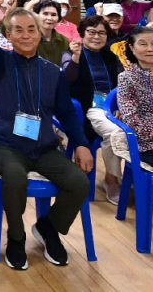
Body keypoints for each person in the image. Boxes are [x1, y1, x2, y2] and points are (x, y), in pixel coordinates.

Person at [0, 0, 93, 270]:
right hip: (7, 145)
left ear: (40, 33)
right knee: (15, 178)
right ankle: (16, 237)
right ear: (9, 35)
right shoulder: (0, 62)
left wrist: (83, 143)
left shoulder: (53, 72)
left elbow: (66, 112)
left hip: (44, 146)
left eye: (31, 29)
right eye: (18, 30)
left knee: (79, 182)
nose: (26, 35)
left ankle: (49, 227)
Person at [62, 15, 123, 204]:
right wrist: (76, 57)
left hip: (112, 108)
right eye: (92, 32)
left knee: (141, 129)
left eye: (102, 33)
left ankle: (135, 177)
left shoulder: (110, 56)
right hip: (88, 109)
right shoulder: (72, 53)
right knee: (115, 133)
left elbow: (122, 84)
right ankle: (112, 179)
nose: (97, 37)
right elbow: (67, 79)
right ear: (82, 34)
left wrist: (120, 106)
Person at [118, 27, 153, 200]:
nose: (150, 48)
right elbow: (131, 119)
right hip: (148, 143)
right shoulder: (127, 78)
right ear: (132, 49)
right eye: (143, 44)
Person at [29, 0, 70, 67]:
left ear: (58, 18)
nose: (49, 18)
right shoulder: (29, 38)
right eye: (45, 14)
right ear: (36, 16)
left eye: (53, 15)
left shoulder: (64, 41)